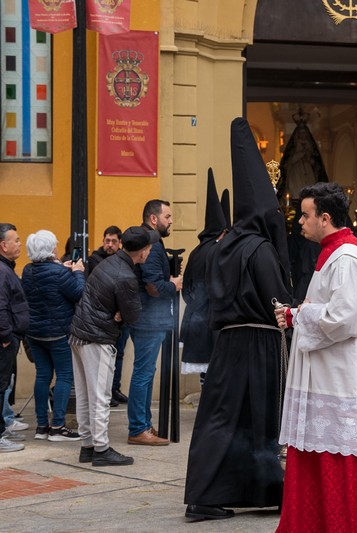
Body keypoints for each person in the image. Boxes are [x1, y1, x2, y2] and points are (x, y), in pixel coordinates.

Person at [275, 182, 357, 532]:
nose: (300, 222)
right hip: (331, 377)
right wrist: (300, 313)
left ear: (325, 218)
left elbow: (345, 317)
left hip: (343, 380)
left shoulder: (346, 258)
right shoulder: (333, 253)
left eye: (305, 215)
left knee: (339, 464)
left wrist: (299, 314)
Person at [184, 118, 292, 521]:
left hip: (228, 343)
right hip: (259, 344)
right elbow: (278, 301)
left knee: (223, 419)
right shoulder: (259, 249)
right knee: (260, 418)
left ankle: (211, 493)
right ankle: (256, 489)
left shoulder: (223, 246)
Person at [70, 226, 158, 466]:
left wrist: (121, 312)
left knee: (85, 395)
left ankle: (88, 446)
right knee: (100, 396)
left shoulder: (107, 263)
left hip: (79, 333)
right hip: (97, 337)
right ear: (142, 252)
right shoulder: (126, 276)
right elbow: (133, 315)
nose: (150, 251)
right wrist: (121, 313)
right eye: (149, 247)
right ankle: (101, 449)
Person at [127, 200, 182, 446]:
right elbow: (152, 286)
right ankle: (138, 428)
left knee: (146, 373)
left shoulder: (151, 240)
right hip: (149, 319)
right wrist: (173, 284)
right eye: (167, 216)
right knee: (144, 373)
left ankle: (144, 424)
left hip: (147, 318)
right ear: (153, 218)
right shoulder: (151, 241)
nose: (170, 221)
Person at [21, 230, 85, 442]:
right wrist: (77, 272)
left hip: (34, 333)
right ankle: (57, 427)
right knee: (65, 376)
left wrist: (63, 268)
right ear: (50, 249)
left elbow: (47, 279)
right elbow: (79, 293)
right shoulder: (59, 273)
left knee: (42, 376)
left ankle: (42, 427)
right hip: (58, 333)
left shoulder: (28, 270)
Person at [179, 169, 227, 380]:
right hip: (211, 320)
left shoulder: (196, 251)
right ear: (221, 232)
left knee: (205, 372)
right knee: (214, 371)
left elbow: (187, 287)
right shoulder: (217, 251)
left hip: (196, 317)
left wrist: (193, 305)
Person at [87, 225, 129, 406]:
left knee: (119, 354)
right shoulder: (95, 260)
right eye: (107, 241)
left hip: (121, 318)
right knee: (103, 357)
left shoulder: (124, 260)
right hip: (103, 318)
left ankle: (114, 389)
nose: (109, 245)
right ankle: (104, 392)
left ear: (120, 243)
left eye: (113, 241)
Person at [0, 223, 29, 453]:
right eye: (16, 240)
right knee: (0, 387)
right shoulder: (2, 271)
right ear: (4, 245)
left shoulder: (6, 268)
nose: (20, 244)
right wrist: (6, 336)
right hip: (5, 340)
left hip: (9, 338)